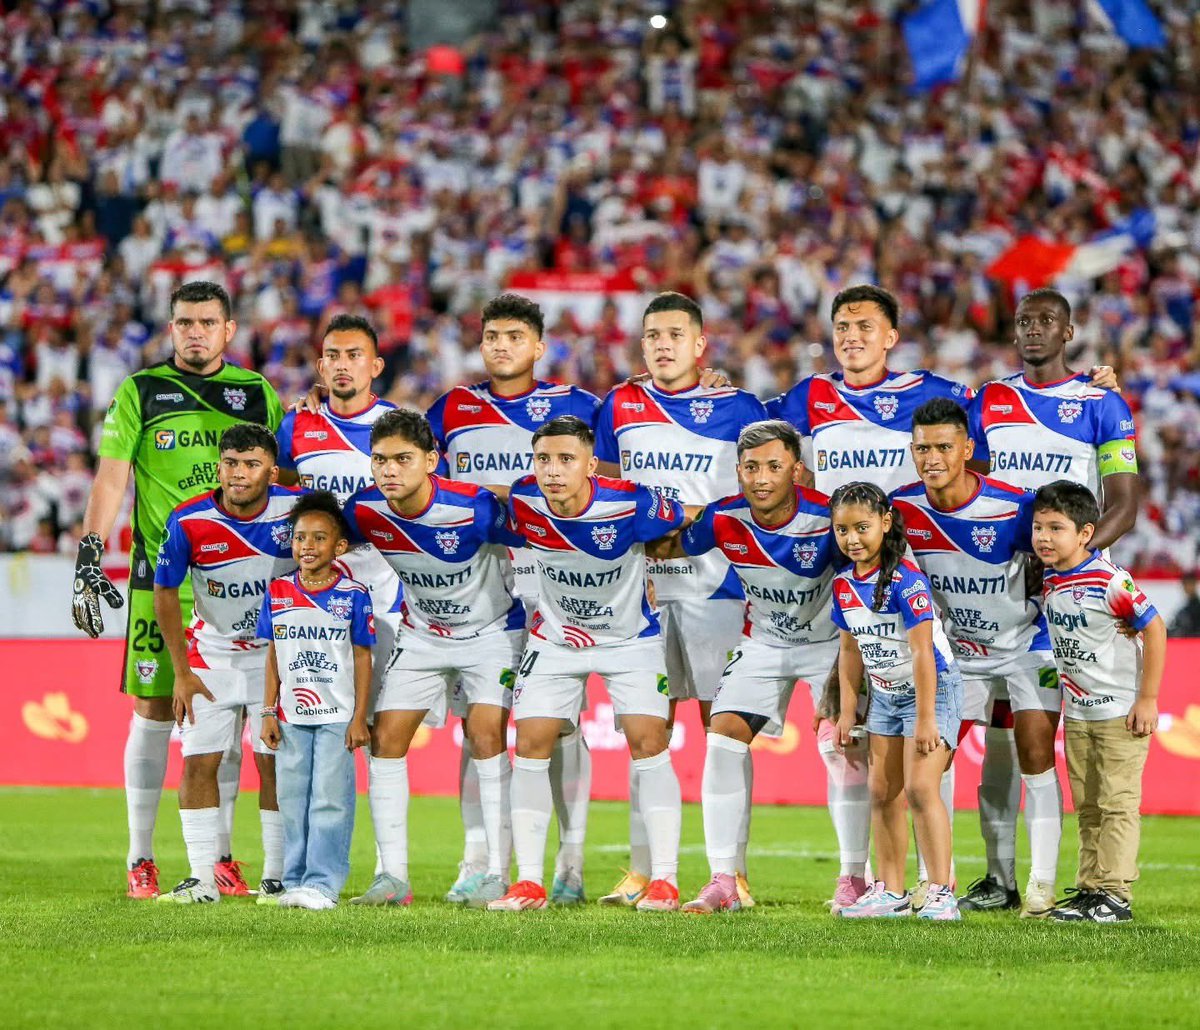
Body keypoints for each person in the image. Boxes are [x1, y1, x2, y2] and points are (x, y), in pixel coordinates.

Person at [72, 280, 284, 899]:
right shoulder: (140, 390)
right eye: (185, 322)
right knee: (155, 709)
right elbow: (112, 479)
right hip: (162, 578)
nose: (196, 332)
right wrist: (90, 551)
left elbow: (283, 476)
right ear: (171, 329)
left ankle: (220, 857)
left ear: (228, 330)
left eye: (207, 322)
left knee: (230, 713)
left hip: (241, 576)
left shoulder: (256, 393)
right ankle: (140, 857)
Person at [961, 287, 1138, 914]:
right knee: (1000, 740)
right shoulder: (988, 400)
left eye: (1046, 321)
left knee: (1070, 743)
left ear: (1068, 332)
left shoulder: (1102, 403)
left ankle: (1092, 885)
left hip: (1069, 601)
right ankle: (1000, 878)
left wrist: (1069, 564)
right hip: (996, 592)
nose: (1033, 329)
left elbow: (1123, 505)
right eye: (1023, 321)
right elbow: (965, 483)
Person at [592, 291, 767, 907]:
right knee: (646, 729)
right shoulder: (620, 404)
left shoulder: (739, 407)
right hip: (640, 590)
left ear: (699, 344)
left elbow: (764, 488)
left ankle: (732, 873)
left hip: (719, 587)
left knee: (724, 730)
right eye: (652, 336)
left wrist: (686, 516)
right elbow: (605, 492)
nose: (662, 345)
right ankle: (644, 870)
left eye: (674, 335)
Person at [427, 293, 600, 905]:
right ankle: (479, 860)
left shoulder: (579, 406)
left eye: (514, 337)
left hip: (558, 583)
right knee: (480, 726)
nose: (501, 347)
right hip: (477, 588)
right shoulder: (452, 408)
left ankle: (570, 863)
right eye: (492, 337)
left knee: (562, 727)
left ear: (539, 346)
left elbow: (611, 473)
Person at [491, 416, 686, 912]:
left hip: (629, 639)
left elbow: (681, 517)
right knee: (530, 744)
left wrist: (653, 558)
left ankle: (665, 880)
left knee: (649, 743)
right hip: (556, 640)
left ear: (591, 464)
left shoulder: (631, 502)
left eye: (566, 459)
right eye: (543, 459)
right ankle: (529, 882)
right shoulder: (525, 498)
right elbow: (497, 498)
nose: (552, 471)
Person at [646, 420, 840, 913]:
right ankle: (724, 880)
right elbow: (670, 546)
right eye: (751, 467)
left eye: (774, 466)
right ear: (738, 471)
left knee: (841, 748)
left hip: (827, 645)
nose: (761, 477)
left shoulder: (827, 518)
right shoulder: (723, 516)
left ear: (797, 470)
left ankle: (854, 878)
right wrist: (623, 557)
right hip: (764, 644)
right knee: (722, 736)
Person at [342, 409, 525, 908]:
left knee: (485, 736)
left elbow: (541, 532)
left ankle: (497, 872)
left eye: (403, 459)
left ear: (431, 460)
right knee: (386, 740)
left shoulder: (474, 507)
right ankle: (392, 878)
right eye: (380, 460)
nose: (389, 470)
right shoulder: (364, 509)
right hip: (422, 635)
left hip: (491, 634)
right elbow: (320, 532)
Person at [892, 399, 1062, 918]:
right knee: (932, 760)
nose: (932, 458)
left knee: (1033, 755)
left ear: (968, 449)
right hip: (958, 655)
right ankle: (934, 881)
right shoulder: (901, 510)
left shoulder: (1015, 507)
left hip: (1025, 646)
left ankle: (1038, 885)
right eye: (922, 448)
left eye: (944, 447)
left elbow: (1062, 555)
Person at [152, 424, 301, 903]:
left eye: (251, 464)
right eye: (231, 463)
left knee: (274, 765)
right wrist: (181, 672)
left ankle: (276, 878)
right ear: (219, 466)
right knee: (199, 763)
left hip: (274, 660)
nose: (238, 473)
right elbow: (164, 592)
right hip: (209, 657)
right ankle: (202, 879)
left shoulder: (297, 510)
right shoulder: (188, 519)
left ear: (271, 472)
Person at [1032, 481, 1166, 923]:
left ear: (1086, 533)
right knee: (1088, 807)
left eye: (1056, 528)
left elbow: (1155, 628)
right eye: (1038, 527)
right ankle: (1091, 889)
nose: (1044, 537)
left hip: (1118, 713)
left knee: (1117, 804)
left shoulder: (1109, 579)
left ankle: (1115, 895)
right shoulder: (1050, 577)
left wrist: (1147, 699)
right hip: (1078, 713)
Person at [829, 482, 963, 921]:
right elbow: (849, 651)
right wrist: (847, 711)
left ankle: (941, 892)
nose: (852, 539)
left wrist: (926, 719)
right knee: (882, 792)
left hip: (932, 692)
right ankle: (890, 892)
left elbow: (924, 653)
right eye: (842, 530)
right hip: (885, 696)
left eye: (862, 527)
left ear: (885, 523)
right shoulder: (843, 585)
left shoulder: (908, 581)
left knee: (922, 788)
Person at [258, 491, 375, 910]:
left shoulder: (354, 594)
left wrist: (359, 717)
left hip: (336, 716)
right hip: (291, 716)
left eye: (319, 538)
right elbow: (273, 654)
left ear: (339, 547)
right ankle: (294, 881)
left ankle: (323, 884)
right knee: (292, 799)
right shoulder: (277, 592)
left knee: (329, 799)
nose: (307, 546)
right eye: (300, 537)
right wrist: (268, 711)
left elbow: (362, 657)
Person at [276, 314, 403, 689]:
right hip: (316, 592)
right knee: (321, 710)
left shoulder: (398, 426)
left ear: (376, 366)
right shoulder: (296, 424)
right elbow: (283, 492)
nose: (342, 364)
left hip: (384, 591)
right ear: (321, 366)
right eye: (333, 356)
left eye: (354, 355)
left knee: (383, 714)